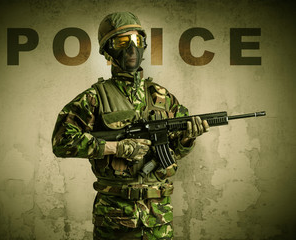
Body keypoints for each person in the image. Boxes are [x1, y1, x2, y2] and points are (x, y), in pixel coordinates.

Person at [52, 12, 209, 240]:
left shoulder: (162, 97)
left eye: (136, 41)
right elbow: (61, 142)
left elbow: (173, 152)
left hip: (158, 219)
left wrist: (187, 138)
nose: (132, 49)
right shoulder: (95, 98)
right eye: (122, 42)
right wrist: (115, 148)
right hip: (115, 218)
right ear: (107, 50)